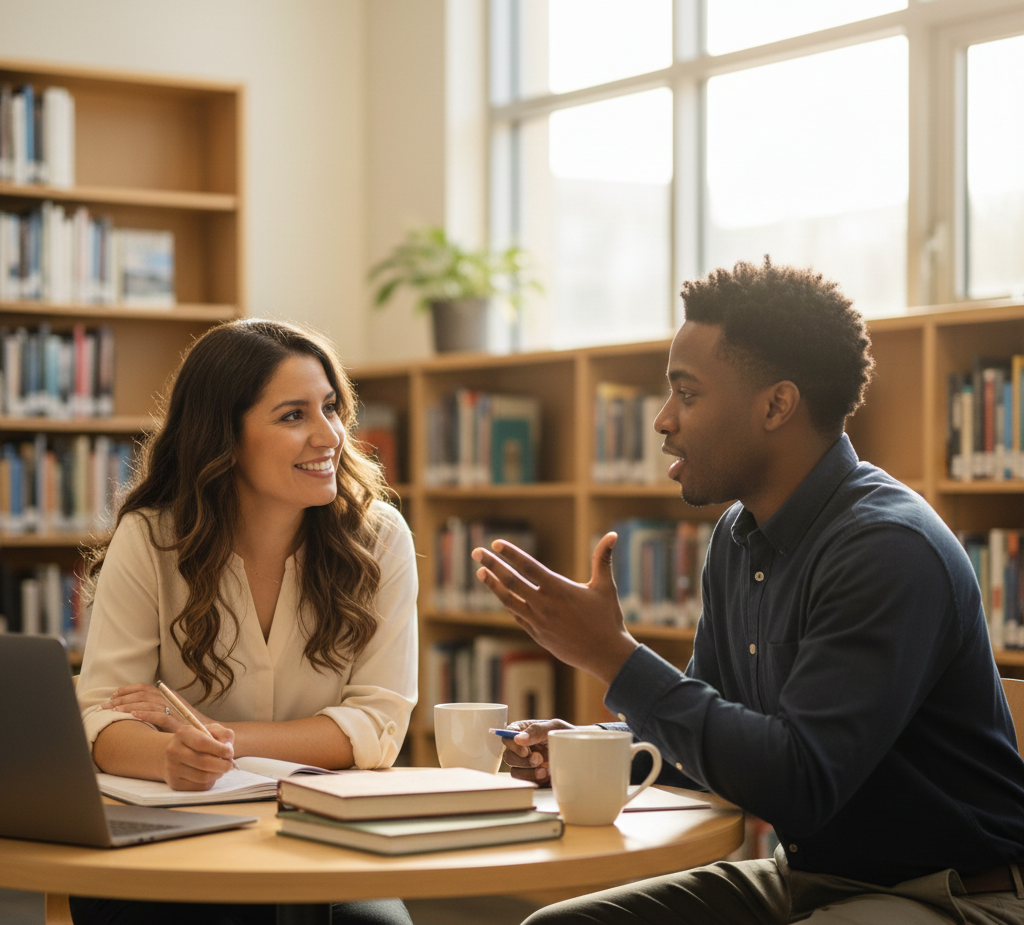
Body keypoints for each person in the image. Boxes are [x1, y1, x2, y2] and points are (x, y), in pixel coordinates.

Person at [472, 258, 1024, 925]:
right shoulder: (738, 537)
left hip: (953, 894)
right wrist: (591, 747)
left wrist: (613, 656)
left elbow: (798, 784)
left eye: (688, 394)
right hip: (814, 879)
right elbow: (721, 743)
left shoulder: (886, 548)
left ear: (775, 405)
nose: (663, 420)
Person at [73, 319, 418, 925]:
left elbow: (376, 727)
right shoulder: (151, 538)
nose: (329, 435)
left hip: (321, 836)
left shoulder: (379, 538)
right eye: (294, 416)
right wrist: (168, 757)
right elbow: (102, 717)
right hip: (171, 835)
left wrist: (213, 735)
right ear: (223, 438)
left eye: (331, 408)